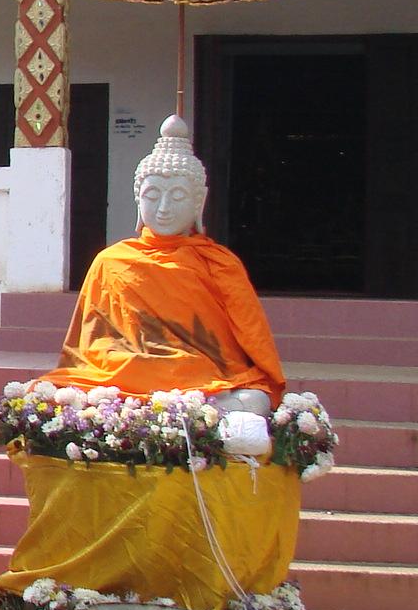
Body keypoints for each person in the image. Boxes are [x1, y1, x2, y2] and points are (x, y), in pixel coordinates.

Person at [41, 116, 283, 410]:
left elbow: (246, 345)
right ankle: (171, 411)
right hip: (125, 371)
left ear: (199, 203)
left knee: (255, 400)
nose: (163, 208)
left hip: (199, 375)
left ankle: (153, 411)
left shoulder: (219, 264)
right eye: (152, 195)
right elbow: (91, 346)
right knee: (54, 397)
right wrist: (132, 359)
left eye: (178, 196)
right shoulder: (112, 261)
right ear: (137, 200)